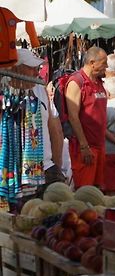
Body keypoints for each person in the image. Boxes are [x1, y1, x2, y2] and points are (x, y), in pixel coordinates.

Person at [13, 49, 65, 186]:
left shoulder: (40, 90)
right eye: (31, 68)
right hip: (14, 173)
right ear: (16, 69)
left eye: (37, 68)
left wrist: (57, 166)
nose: (37, 73)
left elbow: (56, 130)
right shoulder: (5, 93)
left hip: (46, 168)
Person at [65, 46, 107, 189]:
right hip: (85, 147)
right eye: (104, 62)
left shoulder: (98, 82)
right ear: (92, 62)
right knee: (84, 191)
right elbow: (73, 116)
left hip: (99, 146)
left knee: (97, 191)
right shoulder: (77, 82)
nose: (106, 66)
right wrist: (84, 146)